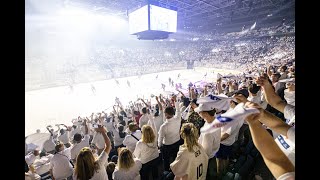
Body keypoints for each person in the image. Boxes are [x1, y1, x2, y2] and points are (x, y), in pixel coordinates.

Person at [243, 101, 295, 179]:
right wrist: (259, 115)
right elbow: (280, 126)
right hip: (271, 154)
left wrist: (254, 122)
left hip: (277, 165)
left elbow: (278, 160)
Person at [194, 103, 221, 180]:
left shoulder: (208, 132)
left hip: (207, 160)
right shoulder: (214, 119)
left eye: (200, 112)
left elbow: (206, 152)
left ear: (205, 113)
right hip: (213, 155)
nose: (199, 114)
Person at [158, 95, 182, 171]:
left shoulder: (163, 126)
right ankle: (177, 169)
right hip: (177, 142)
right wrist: (175, 101)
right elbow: (178, 111)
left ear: (166, 114)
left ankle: (167, 172)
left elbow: (160, 139)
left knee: (166, 160)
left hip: (167, 146)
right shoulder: (178, 119)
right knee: (176, 157)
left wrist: (159, 146)